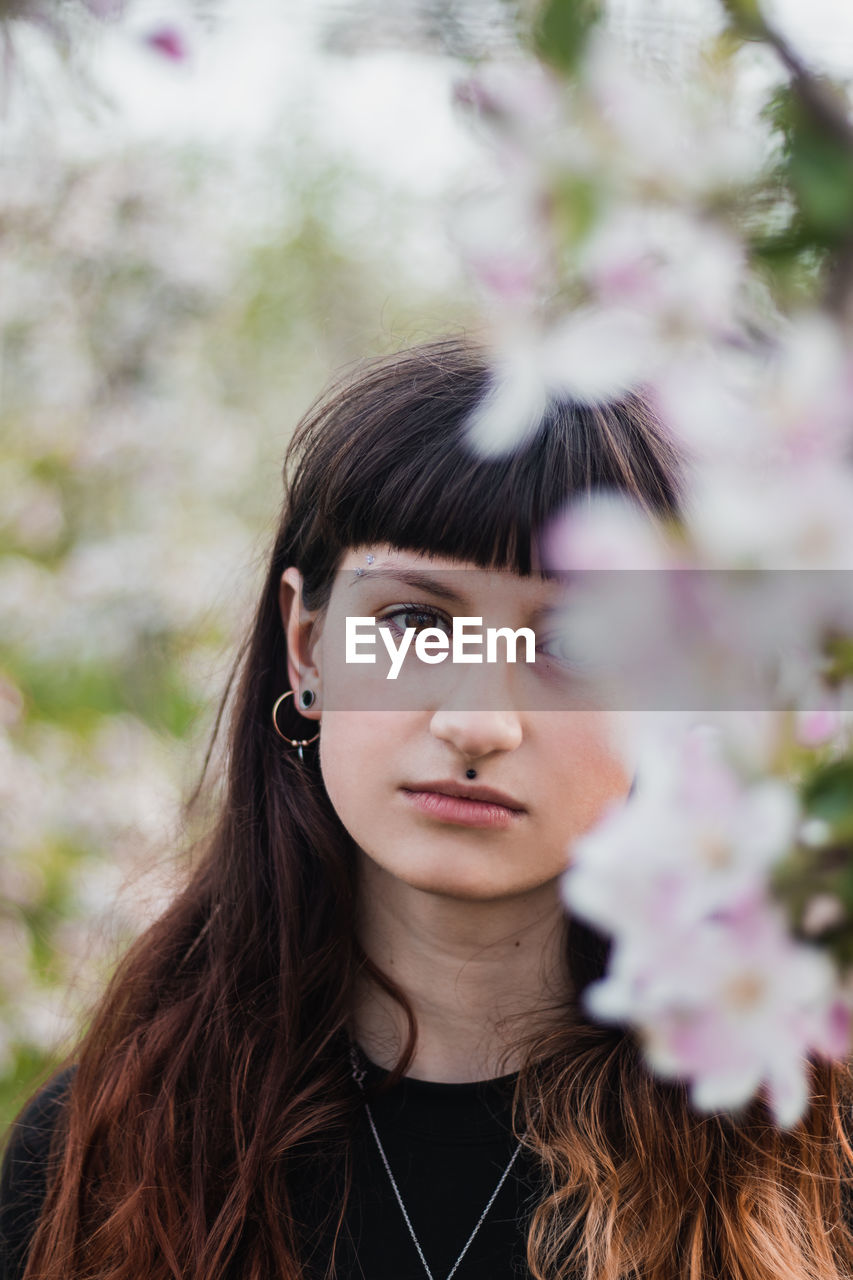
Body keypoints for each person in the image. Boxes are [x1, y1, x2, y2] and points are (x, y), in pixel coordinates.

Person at [1, 335, 852, 1280]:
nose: (476, 721)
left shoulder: (810, 1151)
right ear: (307, 644)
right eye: (415, 622)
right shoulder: (115, 1146)